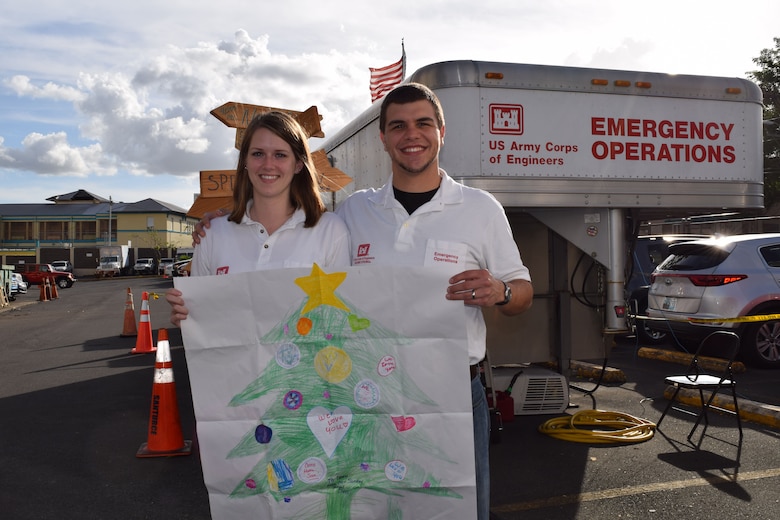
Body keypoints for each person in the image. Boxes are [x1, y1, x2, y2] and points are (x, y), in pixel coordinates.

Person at [193, 84, 533, 520]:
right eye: (398, 126)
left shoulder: (480, 209)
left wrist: (501, 291)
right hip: (371, 397)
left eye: (423, 123)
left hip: (451, 389)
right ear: (384, 138)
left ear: (442, 131)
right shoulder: (353, 214)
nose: (412, 135)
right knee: (376, 510)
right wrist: (222, 221)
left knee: (457, 507)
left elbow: (521, 293)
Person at [165, 111, 350, 326]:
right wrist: (187, 318)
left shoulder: (330, 231)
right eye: (258, 154)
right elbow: (203, 320)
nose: (268, 165)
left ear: (298, 164)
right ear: (245, 161)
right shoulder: (212, 234)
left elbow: (340, 318)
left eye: (280, 154)